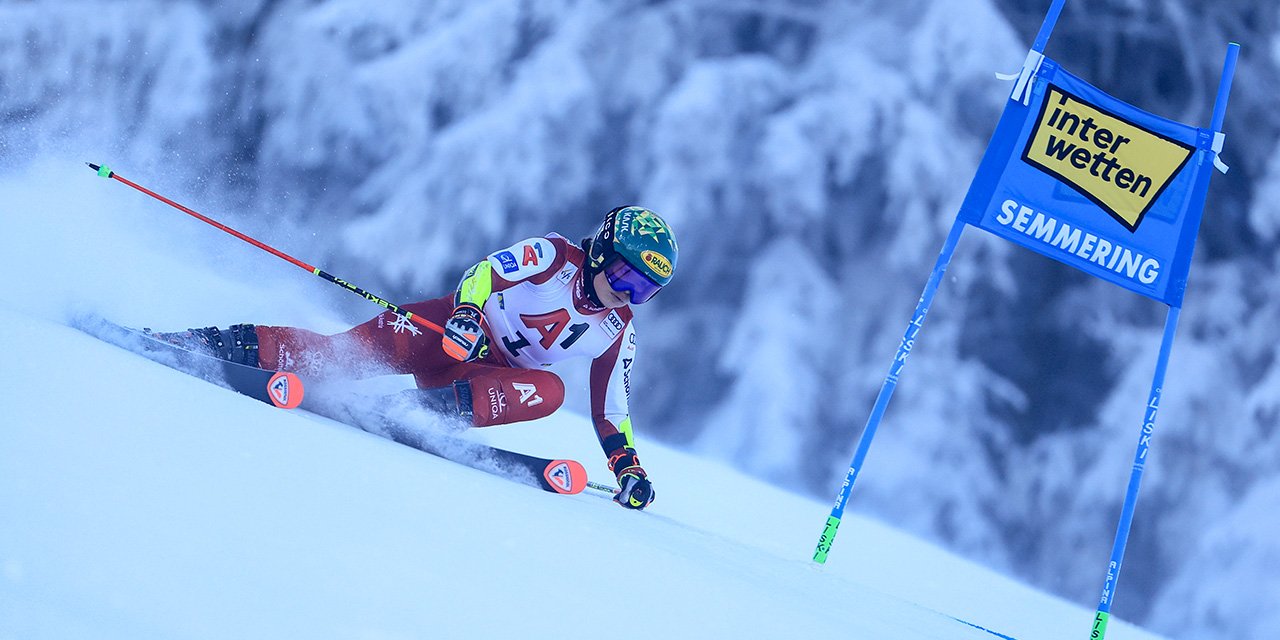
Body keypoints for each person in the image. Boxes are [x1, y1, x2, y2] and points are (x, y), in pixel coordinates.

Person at [158, 206, 677, 510]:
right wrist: (469, 315)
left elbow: (611, 409)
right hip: (445, 332)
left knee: (550, 391)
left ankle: (417, 413)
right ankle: (213, 343)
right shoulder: (553, 256)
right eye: (628, 278)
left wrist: (627, 465)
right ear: (603, 253)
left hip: (477, 380)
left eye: (645, 293)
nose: (628, 297)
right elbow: (484, 272)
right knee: (335, 356)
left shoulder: (617, 331)